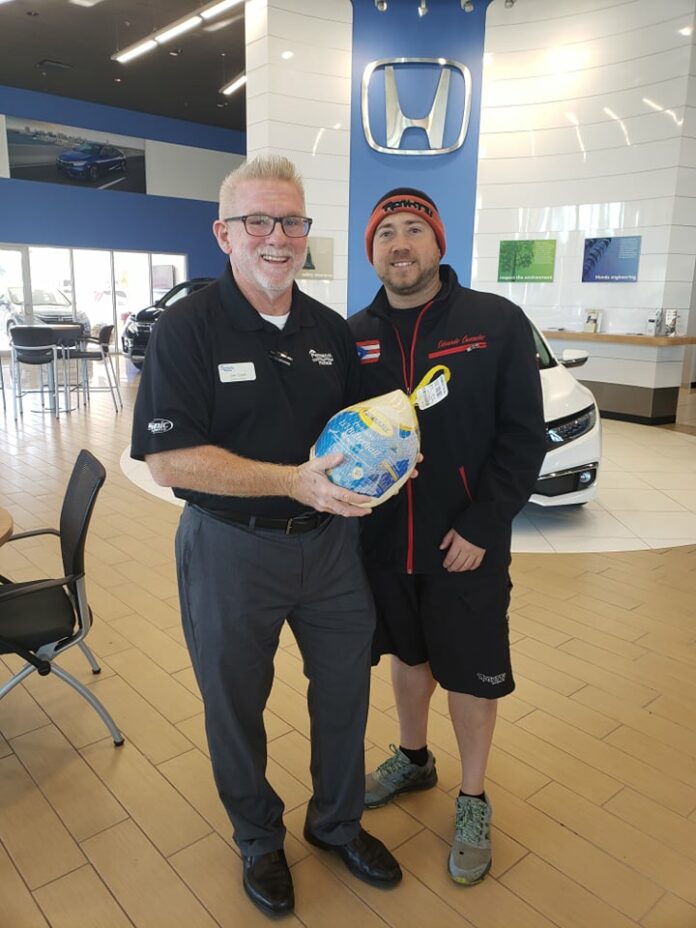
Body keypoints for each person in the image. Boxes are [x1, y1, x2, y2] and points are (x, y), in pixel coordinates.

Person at [130, 156, 402, 918]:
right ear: (225, 232)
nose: (277, 238)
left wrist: (392, 454)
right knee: (235, 701)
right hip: (229, 549)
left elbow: (355, 429)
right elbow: (167, 459)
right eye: (259, 221)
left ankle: (336, 823)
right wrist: (290, 481)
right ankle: (258, 836)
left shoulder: (328, 329)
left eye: (292, 221)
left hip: (330, 547)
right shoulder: (187, 328)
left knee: (346, 690)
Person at [349, 188, 547, 886]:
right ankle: (412, 757)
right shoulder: (354, 335)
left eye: (412, 231)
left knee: (470, 670)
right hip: (384, 544)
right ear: (371, 251)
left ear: (438, 244)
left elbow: (525, 439)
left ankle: (472, 796)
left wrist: (484, 524)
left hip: (465, 543)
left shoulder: (494, 323)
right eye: (385, 235)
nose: (399, 245)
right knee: (407, 653)